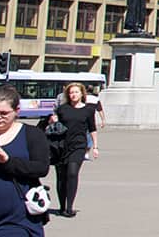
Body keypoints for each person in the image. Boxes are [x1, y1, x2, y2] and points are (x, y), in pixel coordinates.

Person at [0, 86, 49, 233]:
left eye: (4, 113)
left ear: (17, 111)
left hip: (17, 217)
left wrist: (7, 161)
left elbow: (41, 168)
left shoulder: (32, 134)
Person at [47, 81, 97, 218]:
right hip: (61, 145)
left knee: (72, 173)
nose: (73, 94)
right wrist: (52, 121)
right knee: (61, 177)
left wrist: (95, 146)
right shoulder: (62, 109)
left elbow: (92, 128)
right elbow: (52, 124)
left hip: (78, 146)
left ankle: (69, 207)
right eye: (71, 92)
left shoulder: (88, 110)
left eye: (76, 92)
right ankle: (62, 206)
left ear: (82, 93)